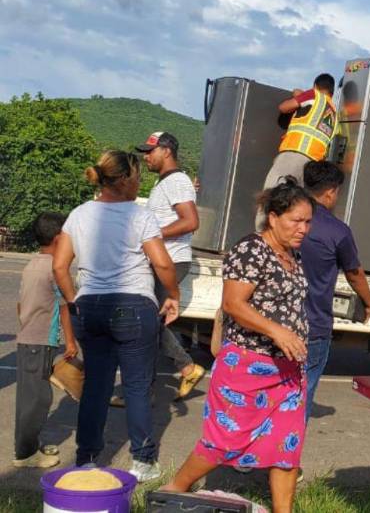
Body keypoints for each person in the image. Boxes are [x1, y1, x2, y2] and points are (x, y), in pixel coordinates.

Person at [161, 179, 313, 513]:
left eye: (307, 221)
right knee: (224, 441)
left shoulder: (292, 254)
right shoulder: (250, 250)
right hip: (247, 367)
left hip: (287, 373)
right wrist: (278, 332)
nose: (303, 228)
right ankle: (173, 491)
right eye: (296, 220)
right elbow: (233, 304)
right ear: (273, 217)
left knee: (286, 446)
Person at [53, 150, 180, 482]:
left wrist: (74, 300)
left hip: (89, 307)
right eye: (137, 177)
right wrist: (173, 295)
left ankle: (86, 460)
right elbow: (162, 263)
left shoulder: (79, 214)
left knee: (96, 385)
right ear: (124, 179)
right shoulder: (139, 216)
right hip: (133, 306)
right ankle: (143, 462)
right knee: (137, 386)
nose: (139, 183)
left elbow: (60, 266)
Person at [300, 161, 370, 421]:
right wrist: (368, 302)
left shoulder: (285, 219)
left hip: (276, 321)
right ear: (331, 191)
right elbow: (354, 273)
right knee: (302, 393)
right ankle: (287, 446)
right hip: (313, 325)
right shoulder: (337, 231)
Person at [135, 131, 205, 399]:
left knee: (147, 324)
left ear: (166, 151)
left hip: (171, 260)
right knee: (149, 325)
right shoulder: (165, 182)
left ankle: (185, 368)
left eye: (150, 151)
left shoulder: (176, 181)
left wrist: (151, 235)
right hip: (164, 259)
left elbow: (190, 221)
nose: (146, 156)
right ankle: (147, 389)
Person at [14, 212, 77, 469]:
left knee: (30, 396)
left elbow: (20, 305)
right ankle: (25, 454)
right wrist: (71, 342)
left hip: (29, 339)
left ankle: (28, 446)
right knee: (36, 400)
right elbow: (65, 308)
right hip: (39, 342)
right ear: (59, 238)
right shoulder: (56, 268)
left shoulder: (33, 265)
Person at [256, 74, 337, 229]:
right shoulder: (333, 112)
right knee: (294, 205)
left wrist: (298, 95)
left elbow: (284, 107)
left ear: (315, 85)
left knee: (270, 196)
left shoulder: (313, 95)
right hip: (311, 165)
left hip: (294, 154)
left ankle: (262, 236)